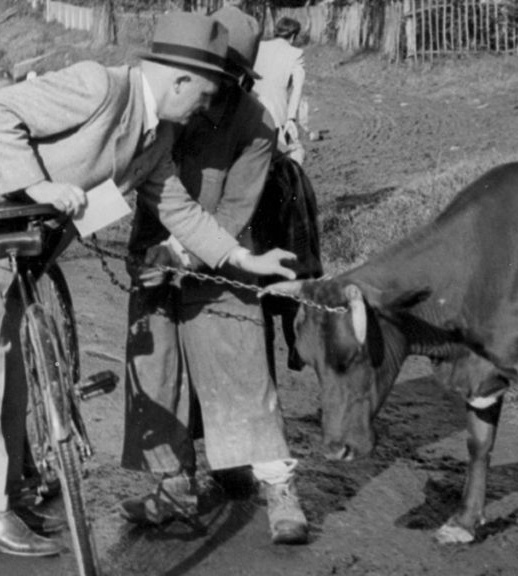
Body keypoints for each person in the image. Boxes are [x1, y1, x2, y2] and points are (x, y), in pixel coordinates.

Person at [0, 12, 297, 558]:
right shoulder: (100, 86)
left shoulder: (160, 134)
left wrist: (241, 256)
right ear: (179, 80)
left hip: (25, 240)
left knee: (10, 363)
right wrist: (39, 185)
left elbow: (179, 209)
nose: (202, 111)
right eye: (202, 97)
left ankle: (4, 493)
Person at [117, 5, 309, 545]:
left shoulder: (256, 127)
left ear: (238, 78)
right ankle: (175, 487)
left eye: (222, 80)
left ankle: (279, 488)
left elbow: (234, 211)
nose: (208, 92)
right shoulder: (164, 103)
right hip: (153, 250)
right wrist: (154, 254)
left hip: (224, 259)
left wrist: (187, 255)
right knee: (156, 369)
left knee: (241, 369)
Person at [252, 17, 306, 164]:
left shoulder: (259, 47)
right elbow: (297, 88)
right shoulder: (295, 53)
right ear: (294, 36)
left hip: (252, 108)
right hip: (277, 113)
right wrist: (291, 118)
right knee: (280, 158)